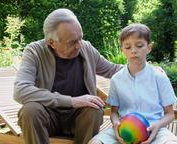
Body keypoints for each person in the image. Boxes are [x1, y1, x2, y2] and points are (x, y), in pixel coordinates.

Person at [13, 8, 122, 144]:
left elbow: (113, 69)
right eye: (72, 42)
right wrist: (71, 101)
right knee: (30, 111)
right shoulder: (35, 51)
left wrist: (145, 69)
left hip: (79, 119)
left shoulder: (86, 48)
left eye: (80, 38)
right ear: (51, 42)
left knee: (94, 110)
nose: (79, 45)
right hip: (48, 117)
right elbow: (20, 91)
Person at [89, 23, 177, 144]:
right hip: (124, 130)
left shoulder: (159, 76)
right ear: (122, 50)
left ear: (149, 47)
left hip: (155, 130)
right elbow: (114, 112)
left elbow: (170, 114)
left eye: (139, 45)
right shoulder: (116, 79)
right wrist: (116, 123)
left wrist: (157, 125)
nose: (133, 51)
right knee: (95, 142)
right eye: (127, 47)